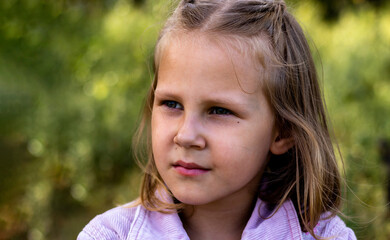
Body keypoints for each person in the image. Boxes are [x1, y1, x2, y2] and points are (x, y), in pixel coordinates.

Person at [77, 0, 357, 239]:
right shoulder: (108, 235)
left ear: (282, 132)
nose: (185, 135)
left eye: (219, 110)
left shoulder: (329, 236)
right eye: (171, 104)